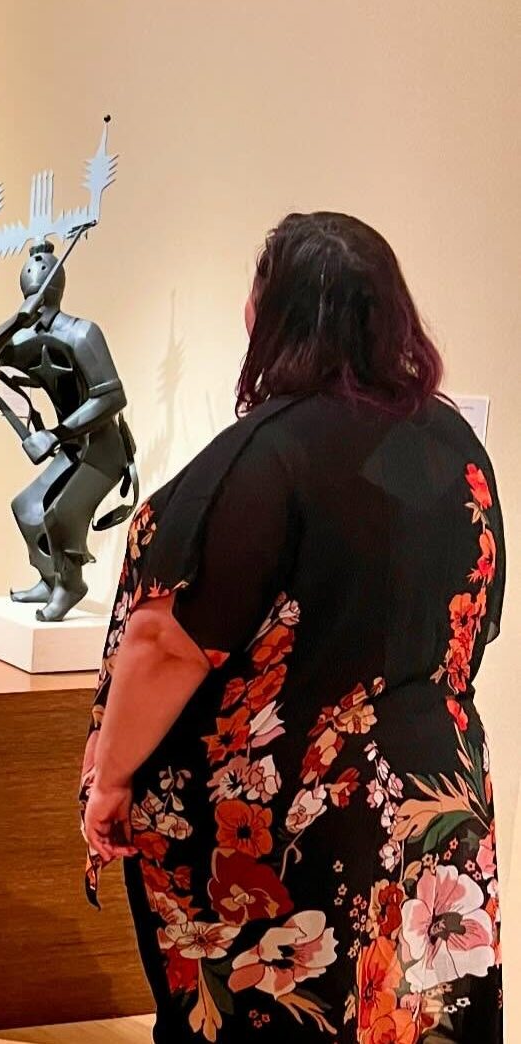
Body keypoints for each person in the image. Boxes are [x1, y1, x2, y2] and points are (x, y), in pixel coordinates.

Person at [80, 212, 505, 1042]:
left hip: (291, 822)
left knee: (277, 1014)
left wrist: (112, 779)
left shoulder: (262, 456)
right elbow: (470, 612)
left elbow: (167, 640)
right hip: (433, 793)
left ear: (275, 315)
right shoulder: (451, 438)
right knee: (413, 1009)